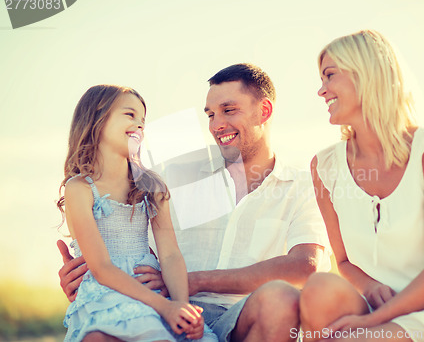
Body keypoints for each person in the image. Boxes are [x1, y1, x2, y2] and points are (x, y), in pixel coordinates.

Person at [58, 64, 332, 342]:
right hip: (163, 311)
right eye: (211, 115)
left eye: (229, 110)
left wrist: (195, 281)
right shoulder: (172, 175)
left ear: (264, 111)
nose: (216, 125)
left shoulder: (301, 185)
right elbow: (127, 245)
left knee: (281, 298)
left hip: (243, 317)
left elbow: (305, 265)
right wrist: (88, 277)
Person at [299, 30, 424, 341]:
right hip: (382, 302)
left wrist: (374, 323)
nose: (322, 91)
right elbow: (344, 261)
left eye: (330, 76)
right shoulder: (324, 167)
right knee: (319, 289)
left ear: (366, 74)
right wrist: (370, 287)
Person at [56, 84, 217, 341]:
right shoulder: (80, 188)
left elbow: (171, 255)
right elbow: (101, 267)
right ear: (96, 119)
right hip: (105, 293)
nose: (139, 125)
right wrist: (164, 306)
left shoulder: (151, 186)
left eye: (143, 120)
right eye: (130, 115)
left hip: (150, 291)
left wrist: (182, 308)